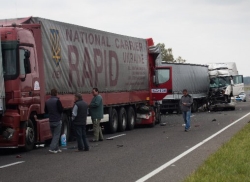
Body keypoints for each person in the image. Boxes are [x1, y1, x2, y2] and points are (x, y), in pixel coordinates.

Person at [45, 88, 63, 153]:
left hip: (51, 120)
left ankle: (56, 148)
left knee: (54, 135)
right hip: (57, 120)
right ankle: (52, 148)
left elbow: (46, 111)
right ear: (56, 93)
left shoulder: (47, 101)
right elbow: (61, 110)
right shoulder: (57, 101)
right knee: (57, 135)